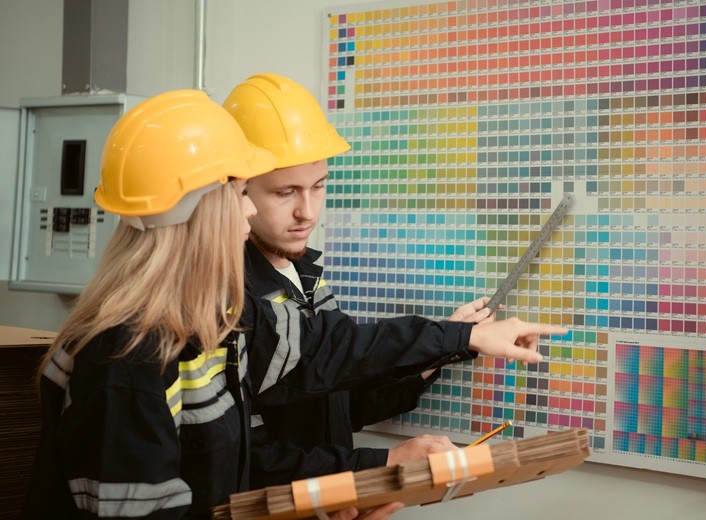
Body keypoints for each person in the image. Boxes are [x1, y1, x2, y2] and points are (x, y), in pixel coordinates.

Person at [22, 89, 565, 519]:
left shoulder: (206, 327)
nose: (249, 214)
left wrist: (340, 490)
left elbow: (234, 468)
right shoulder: (128, 360)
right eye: (244, 195)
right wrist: (452, 345)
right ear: (202, 215)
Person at [222, 73, 515, 487]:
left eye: (318, 187)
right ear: (238, 189)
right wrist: (384, 462)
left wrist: (436, 357)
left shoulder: (304, 275)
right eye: (285, 193)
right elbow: (252, 458)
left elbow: (341, 403)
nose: (307, 212)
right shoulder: (230, 292)